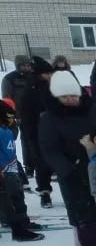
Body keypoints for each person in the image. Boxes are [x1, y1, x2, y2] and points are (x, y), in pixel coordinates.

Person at [38, 71, 96, 246]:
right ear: (57, 96)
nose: (70, 99)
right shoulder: (49, 118)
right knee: (84, 219)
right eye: (65, 96)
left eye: (73, 95)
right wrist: (68, 169)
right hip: (74, 174)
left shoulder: (94, 109)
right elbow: (49, 149)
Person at [0, 100, 42, 240]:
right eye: (9, 117)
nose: (12, 120)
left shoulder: (7, 130)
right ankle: (17, 227)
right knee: (9, 198)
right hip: (4, 170)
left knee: (15, 196)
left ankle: (21, 222)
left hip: (11, 168)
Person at [17, 56, 55, 206]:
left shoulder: (51, 87)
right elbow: (26, 116)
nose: (50, 76)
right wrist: (30, 136)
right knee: (42, 164)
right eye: (47, 74)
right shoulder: (31, 91)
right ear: (40, 74)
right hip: (37, 133)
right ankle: (45, 193)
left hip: (53, 131)